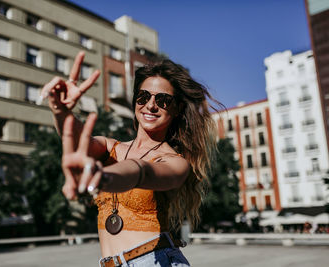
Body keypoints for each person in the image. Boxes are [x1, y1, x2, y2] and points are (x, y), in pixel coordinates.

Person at [40, 51, 218, 266]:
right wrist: (61, 112)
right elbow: (80, 142)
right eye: (143, 96)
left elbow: (140, 171)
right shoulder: (110, 147)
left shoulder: (176, 162)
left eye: (163, 100)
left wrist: (101, 176)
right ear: (135, 101)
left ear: (178, 109)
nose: (151, 105)